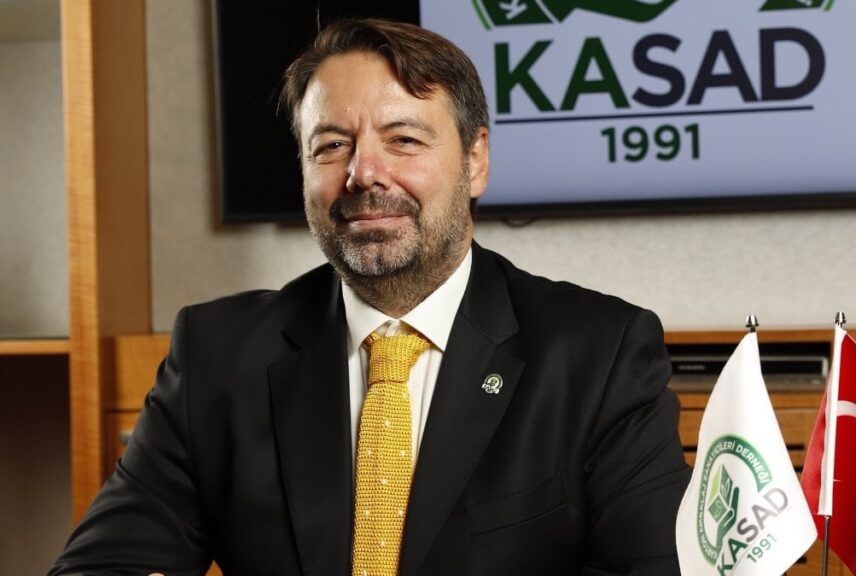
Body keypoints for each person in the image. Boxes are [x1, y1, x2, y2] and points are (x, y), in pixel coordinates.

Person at [50, 18, 690, 576]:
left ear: (475, 161)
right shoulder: (216, 356)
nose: (363, 173)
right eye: (331, 145)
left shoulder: (600, 354)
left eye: (403, 139)